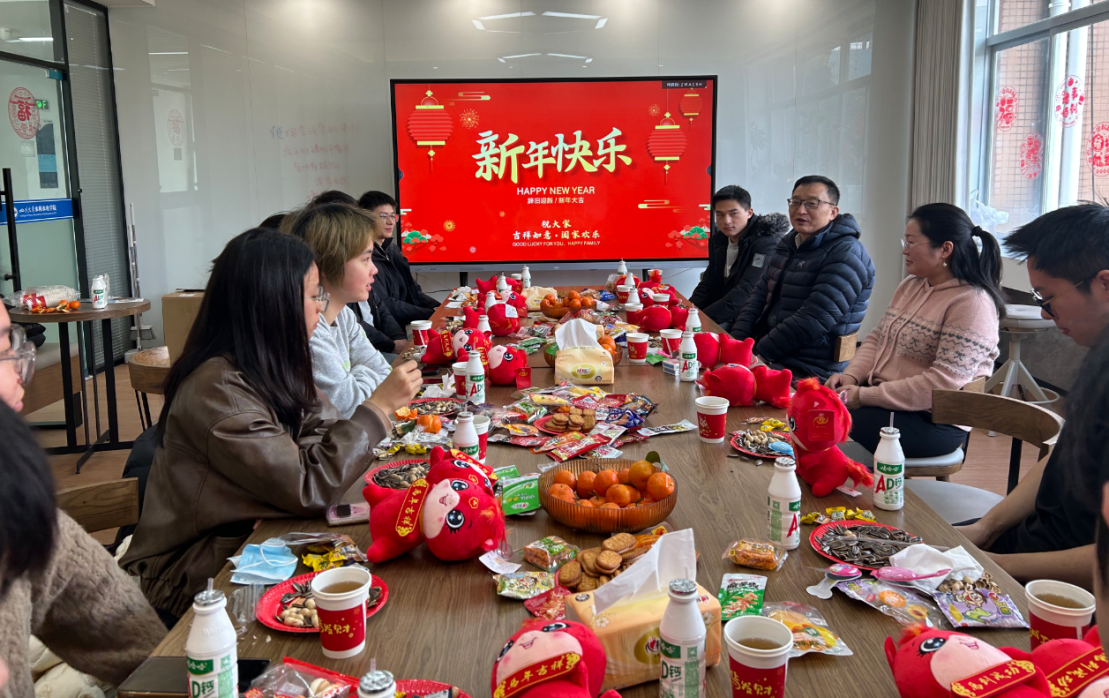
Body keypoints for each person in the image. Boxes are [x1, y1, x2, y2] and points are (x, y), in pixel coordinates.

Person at [120, 229, 421, 623]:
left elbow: (320, 436)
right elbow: (309, 486)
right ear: (274, 305)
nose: (320, 309)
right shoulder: (218, 390)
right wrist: (377, 408)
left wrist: (303, 475)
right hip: (191, 580)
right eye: (313, 296)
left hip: (249, 546)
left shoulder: (271, 364)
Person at [0, 303, 166, 695]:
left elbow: (116, 621)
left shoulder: (17, 502)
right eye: (4, 351)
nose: (21, 370)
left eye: (10, 343)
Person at [955, 203, 1109, 587]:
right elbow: (1063, 456)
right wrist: (987, 527)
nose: (1044, 314)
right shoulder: (1099, 360)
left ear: (1104, 284)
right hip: (1028, 546)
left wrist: (999, 566)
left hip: (1063, 588)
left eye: (1046, 298)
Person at [825, 203, 1004, 458]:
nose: (904, 250)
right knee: (817, 407)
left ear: (945, 249)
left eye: (911, 242)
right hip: (887, 402)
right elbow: (877, 339)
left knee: (826, 421)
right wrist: (851, 377)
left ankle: (848, 481)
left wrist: (864, 396)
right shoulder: (911, 285)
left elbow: (942, 384)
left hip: (933, 421)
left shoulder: (972, 303)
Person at [729, 175, 875, 380]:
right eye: (795, 202)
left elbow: (814, 319)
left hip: (810, 367)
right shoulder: (788, 244)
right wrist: (736, 344)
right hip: (773, 353)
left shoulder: (847, 253)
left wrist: (758, 355)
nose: (801, 210)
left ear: (833, 212)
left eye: (812, 204)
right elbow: (758, 297)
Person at [285, 203, 413, 418]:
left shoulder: (343, 314)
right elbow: (353, 409)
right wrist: (362, 376)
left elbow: (384, 371)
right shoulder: (310, 331)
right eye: (365, 259)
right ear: (329, 263)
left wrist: (356, 379)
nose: (374, 269)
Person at [689, 186, 789, 331]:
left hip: (753, 318)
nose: (726, 221)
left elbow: (747, 292)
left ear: (749, 213)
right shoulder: (720, 240)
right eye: (720, 215)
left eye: (733, 213)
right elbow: (708, 284)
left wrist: (702, 319)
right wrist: (688, 311)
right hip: (726, 313)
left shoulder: (767, 242)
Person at [358, 190, 439, 327]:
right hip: (387, 330)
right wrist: (430, 314)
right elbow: (386, 304)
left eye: (392, 216)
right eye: (383, 216)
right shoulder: (364, 257)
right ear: (366, 218)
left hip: (407, 324)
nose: (390, 222)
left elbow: (414, 291)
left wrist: (440, 309)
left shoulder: (393, 250)